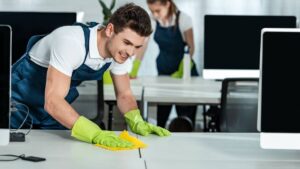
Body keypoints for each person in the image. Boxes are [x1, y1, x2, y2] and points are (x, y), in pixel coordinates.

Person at [11, 3, 170, 148]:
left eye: (137, 46)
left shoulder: (118, 53)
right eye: (127, 43)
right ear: (109, 30)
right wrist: (95, 133)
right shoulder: (71, 41)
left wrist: (136, 120)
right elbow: (53, 102)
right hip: (15, 105)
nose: (130, 52)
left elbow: (124, 94)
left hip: (50, 112)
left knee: (58, 155)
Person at [145, 0, 199, 129]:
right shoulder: (153, 20)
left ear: (167, 4)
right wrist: (134, 66)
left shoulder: (184, 19)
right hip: (164, 72)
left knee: (185, 121)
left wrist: (182, 69)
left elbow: (191, 48)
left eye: (157, 11)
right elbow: (143, 44)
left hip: (185, 74)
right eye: (152, 11)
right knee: (161, 119)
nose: (155, 14)